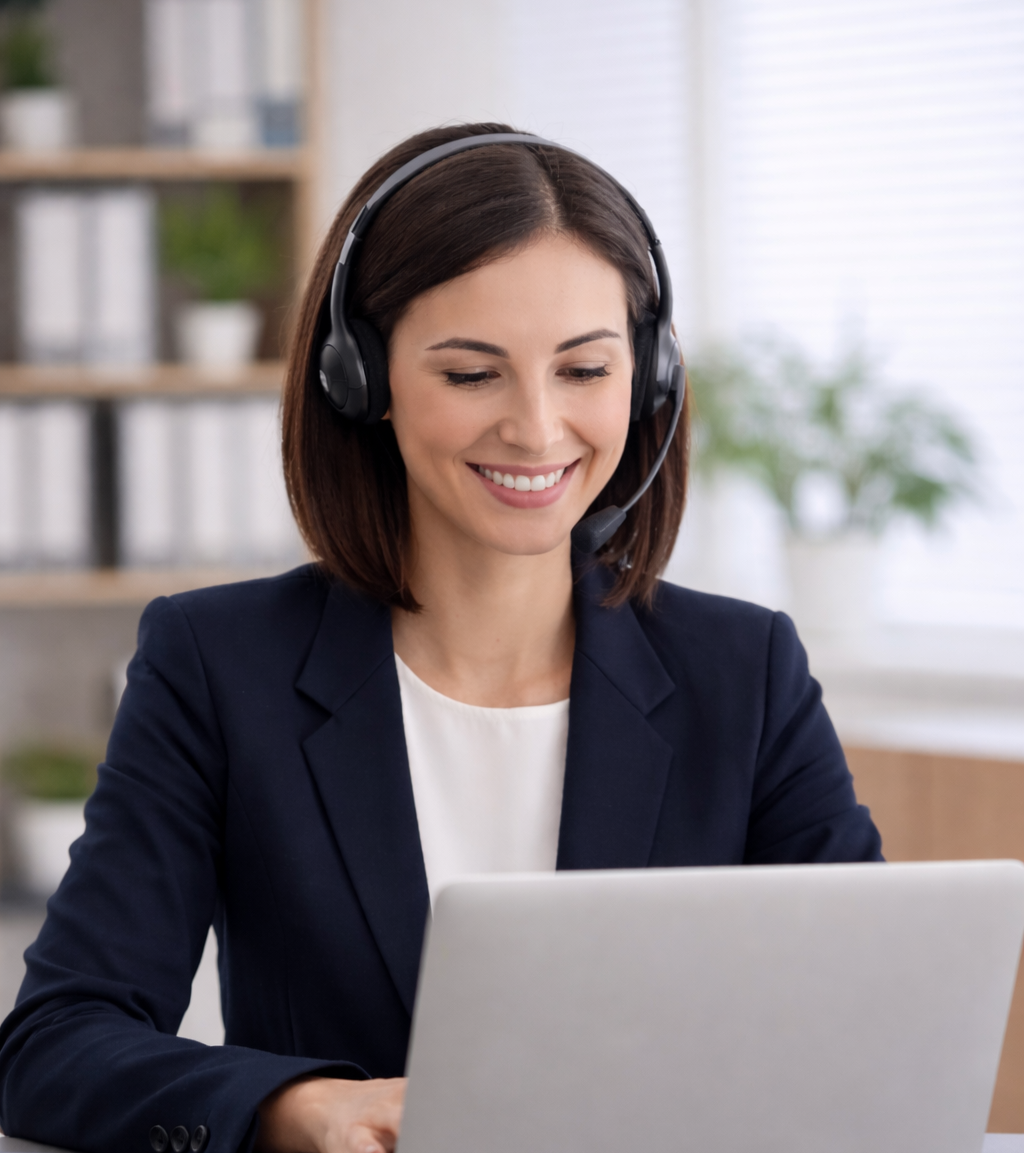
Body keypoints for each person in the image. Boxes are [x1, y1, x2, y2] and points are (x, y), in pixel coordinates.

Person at [0, 123, 882, 1153]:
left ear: (647, 380)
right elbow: (55, 1043)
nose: (538, 428)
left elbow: (862, 1027)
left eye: (583, 370)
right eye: (473, 375)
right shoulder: (217, 663)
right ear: (356, 381)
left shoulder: (746, 672)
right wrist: (301, 1106)